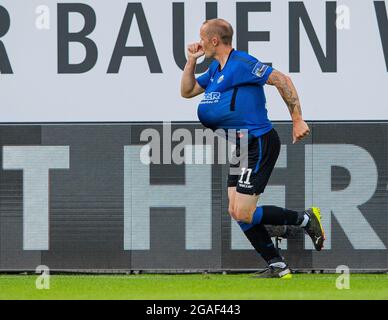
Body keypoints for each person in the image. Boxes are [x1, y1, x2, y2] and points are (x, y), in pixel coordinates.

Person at [180, 18, 325, 278]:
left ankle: (303, 220)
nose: (199, 42)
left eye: (202, 38)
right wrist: (191, 60)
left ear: (214, 40)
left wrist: (297, 119)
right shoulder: (215, 69)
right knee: (236, 211)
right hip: (241, 146)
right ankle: (278, 266)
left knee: (244, 212)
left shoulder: (242, 63)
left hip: (259, 143)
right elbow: (187, 91)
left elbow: (281, 79)